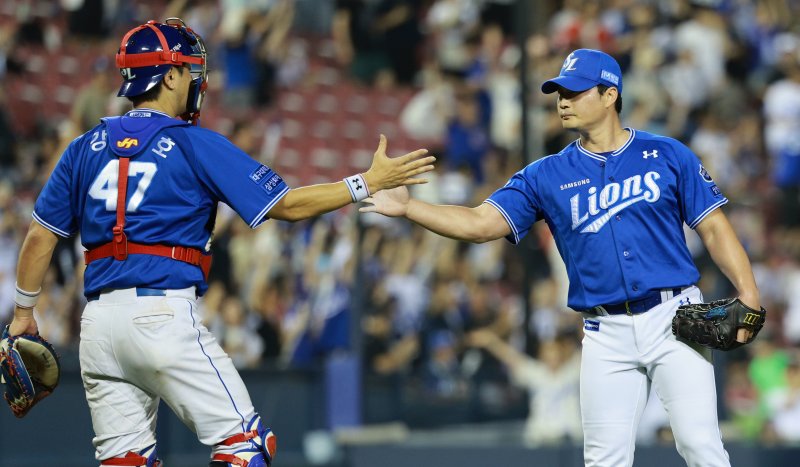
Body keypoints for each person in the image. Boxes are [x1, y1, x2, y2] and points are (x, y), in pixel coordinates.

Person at [7, 18, 433, 467]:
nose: (197, 80)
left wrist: (22, 313)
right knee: (244, 447)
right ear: (169, 76)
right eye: (190, 69)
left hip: (97, 326)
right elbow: (286, 206)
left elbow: (39, 238)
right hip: (162, 314)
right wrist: (365, 182)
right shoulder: (192, 143)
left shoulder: (81, 147)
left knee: (125, 462)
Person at [362, 48, 762, 467]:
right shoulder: (545, 174)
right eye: (558, 92)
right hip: (605, 332)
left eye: (574, 91)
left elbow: (714, 226)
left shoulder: (667, 154)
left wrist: (748, 292)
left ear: (610, 95)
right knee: (603, 461)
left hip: (675, 317)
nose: (562, 101)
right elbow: (480, 224)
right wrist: (410, 209)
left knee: (701, 446)